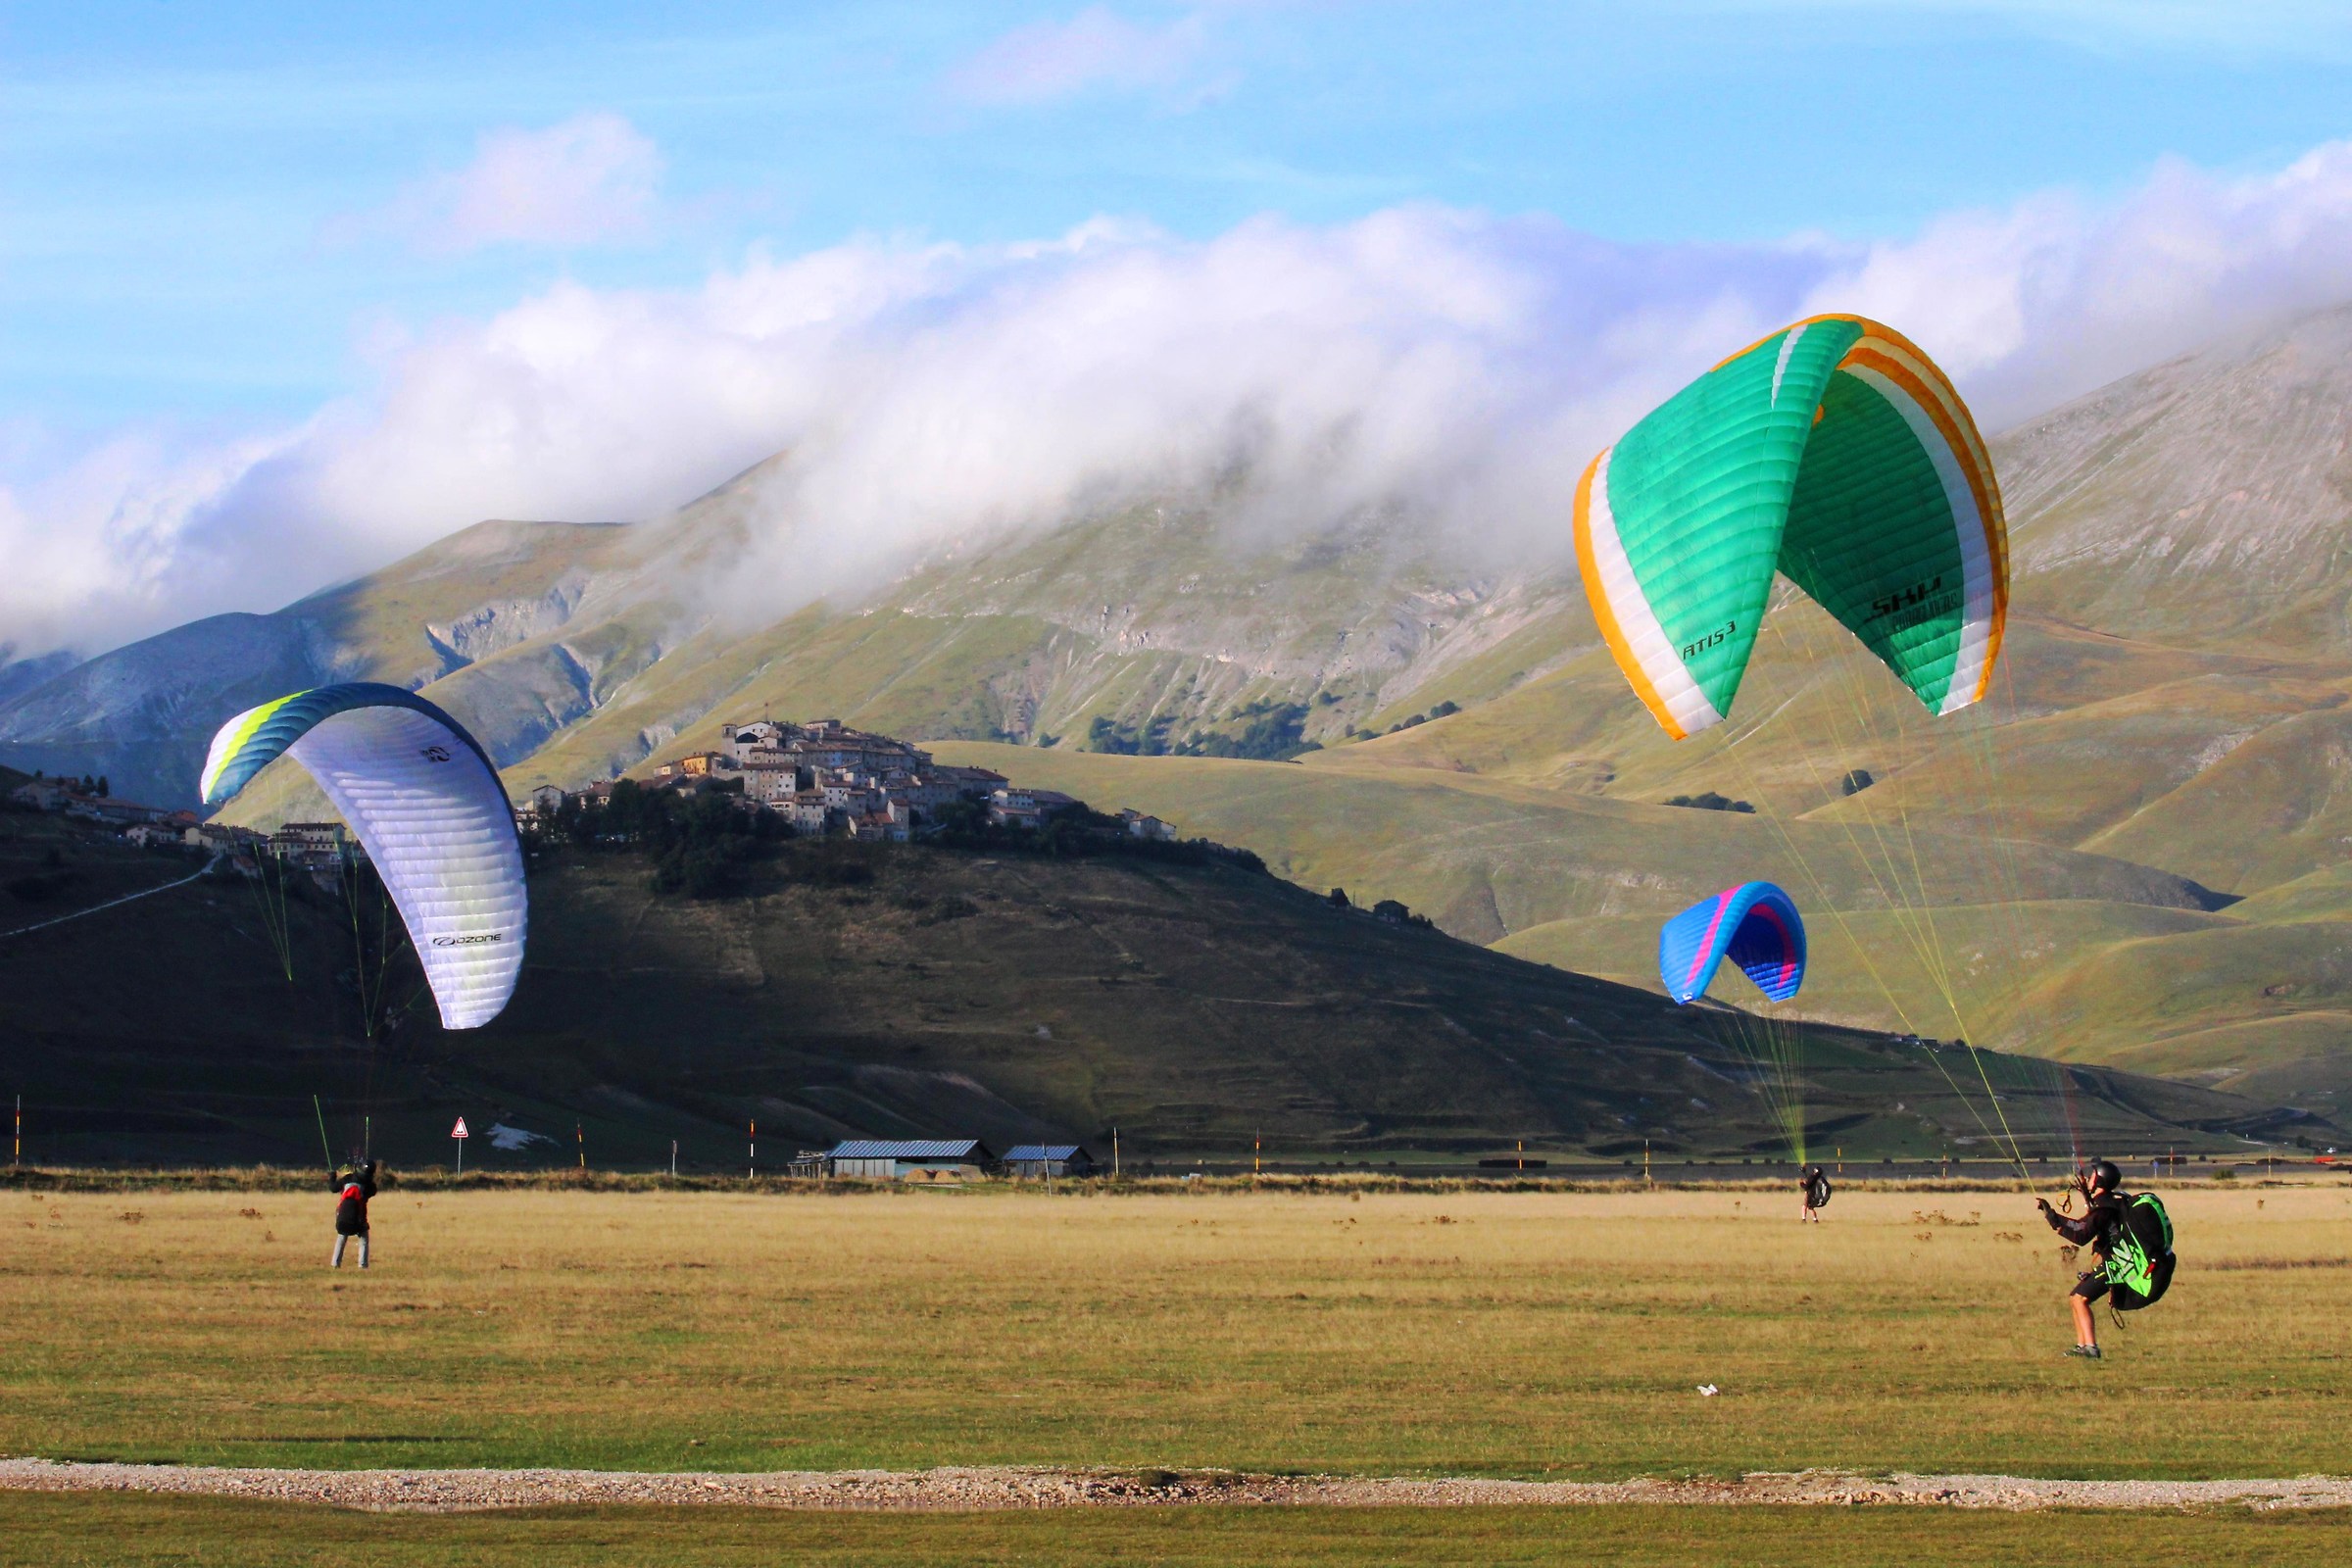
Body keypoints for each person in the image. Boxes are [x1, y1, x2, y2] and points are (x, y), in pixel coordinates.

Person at [2038, 1159, 2125, 1359]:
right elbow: (2082, 1224)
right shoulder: (2109, 1203)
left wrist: (2054, 1222)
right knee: (2075, 1298)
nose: (2089, 1178)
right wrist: (2054, 1215)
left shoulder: (2103, 1208)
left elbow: (2080, 1235)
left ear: (2100, 1180)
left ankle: (2091, 1348)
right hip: (2113, 1261)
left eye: (2093, 1175)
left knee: (2080, 1299)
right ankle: (2082, 1346)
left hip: (2117, 1263)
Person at [331, 1159, 376, 1269]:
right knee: (363, 1239)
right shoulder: (368, 1185)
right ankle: (363, 1265)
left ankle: (335, 1263)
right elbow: (373, 1191)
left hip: (343, 1216)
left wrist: (332, 1177)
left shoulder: (347, 1179)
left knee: (341, 1238)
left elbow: (333, 1188)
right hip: (359, 1218)